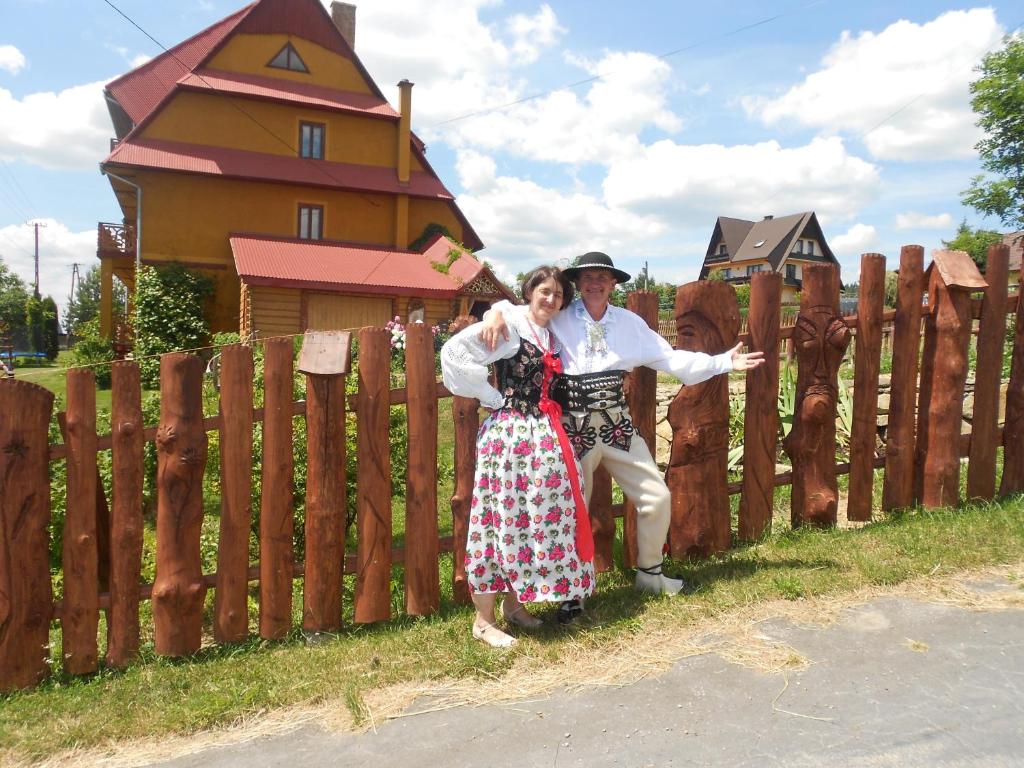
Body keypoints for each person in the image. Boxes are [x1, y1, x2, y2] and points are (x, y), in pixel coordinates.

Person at [480, 252, 763, 620]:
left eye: (602, 277)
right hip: (571, 428)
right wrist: (495, 312)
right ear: (578, 284)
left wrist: (723, 362)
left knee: (657, 496)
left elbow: (671, 359)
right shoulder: (559, 317)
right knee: (571, 510)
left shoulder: (630, 324)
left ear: (613, 284)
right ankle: (572, 593)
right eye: (588, 277)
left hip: (617, 425)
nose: (595, 283)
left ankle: (650, 575)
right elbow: (520, 312)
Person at [441, 266, 595, 647]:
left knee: (532, 517)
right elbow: (454, 354)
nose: (550, 299)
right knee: (501, 517)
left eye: (558, 294)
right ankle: (483, 619)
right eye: (544, 291)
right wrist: (494, 399)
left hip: (544, 433)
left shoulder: (551, 333)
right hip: (511, 436)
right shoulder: (511, 326)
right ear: (529, 292)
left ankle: (515, 606)